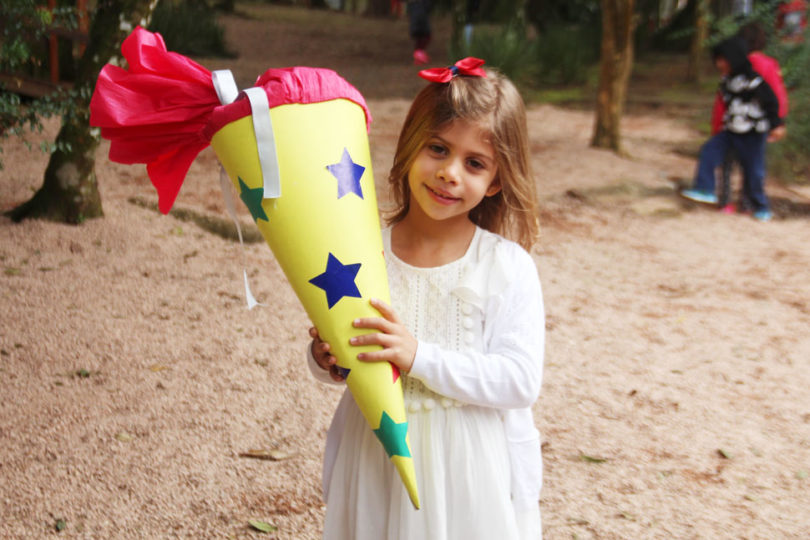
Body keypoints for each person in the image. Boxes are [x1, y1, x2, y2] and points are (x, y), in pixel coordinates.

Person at [306, 58, 545, 539]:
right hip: (373, 453)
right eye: (437, 149)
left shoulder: (505, 265)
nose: (449, 173)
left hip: (465, 466)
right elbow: (341, 352)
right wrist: (324, 357)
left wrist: (419, 357)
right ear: (411, 145)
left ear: (496, 180)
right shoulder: (362, 251)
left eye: (474, 163)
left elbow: (519, 380)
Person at [681, 36, 786, 222]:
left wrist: (776, 124)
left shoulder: (753, 81)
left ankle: (761, 206)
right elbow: (723, 105)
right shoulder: (726, 82)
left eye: (723, 59)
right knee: (709, 150)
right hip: (731, 131)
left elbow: (771, 101)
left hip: (753, 133)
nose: (719, 64)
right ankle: (705, 188)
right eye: (717, 60)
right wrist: (718, 126)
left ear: (734, 58)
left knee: (754, 171)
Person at [710, 22, 789, 213]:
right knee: (752, 165)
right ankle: (747, 203)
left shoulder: (733, 65)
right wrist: (777, 123)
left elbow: (723, 99)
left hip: (732, 124)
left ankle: (725, 202)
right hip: (757, 126)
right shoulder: (769, 65)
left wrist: (717, 126)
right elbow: (777, 95)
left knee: (728, 163)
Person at [408, 0, 432, 64]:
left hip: (418, 25)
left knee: (421, 40)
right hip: (420, 25)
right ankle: (419, 55)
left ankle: (419, 55)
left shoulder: (415, 4)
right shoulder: (418, 5)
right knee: (423, 39)